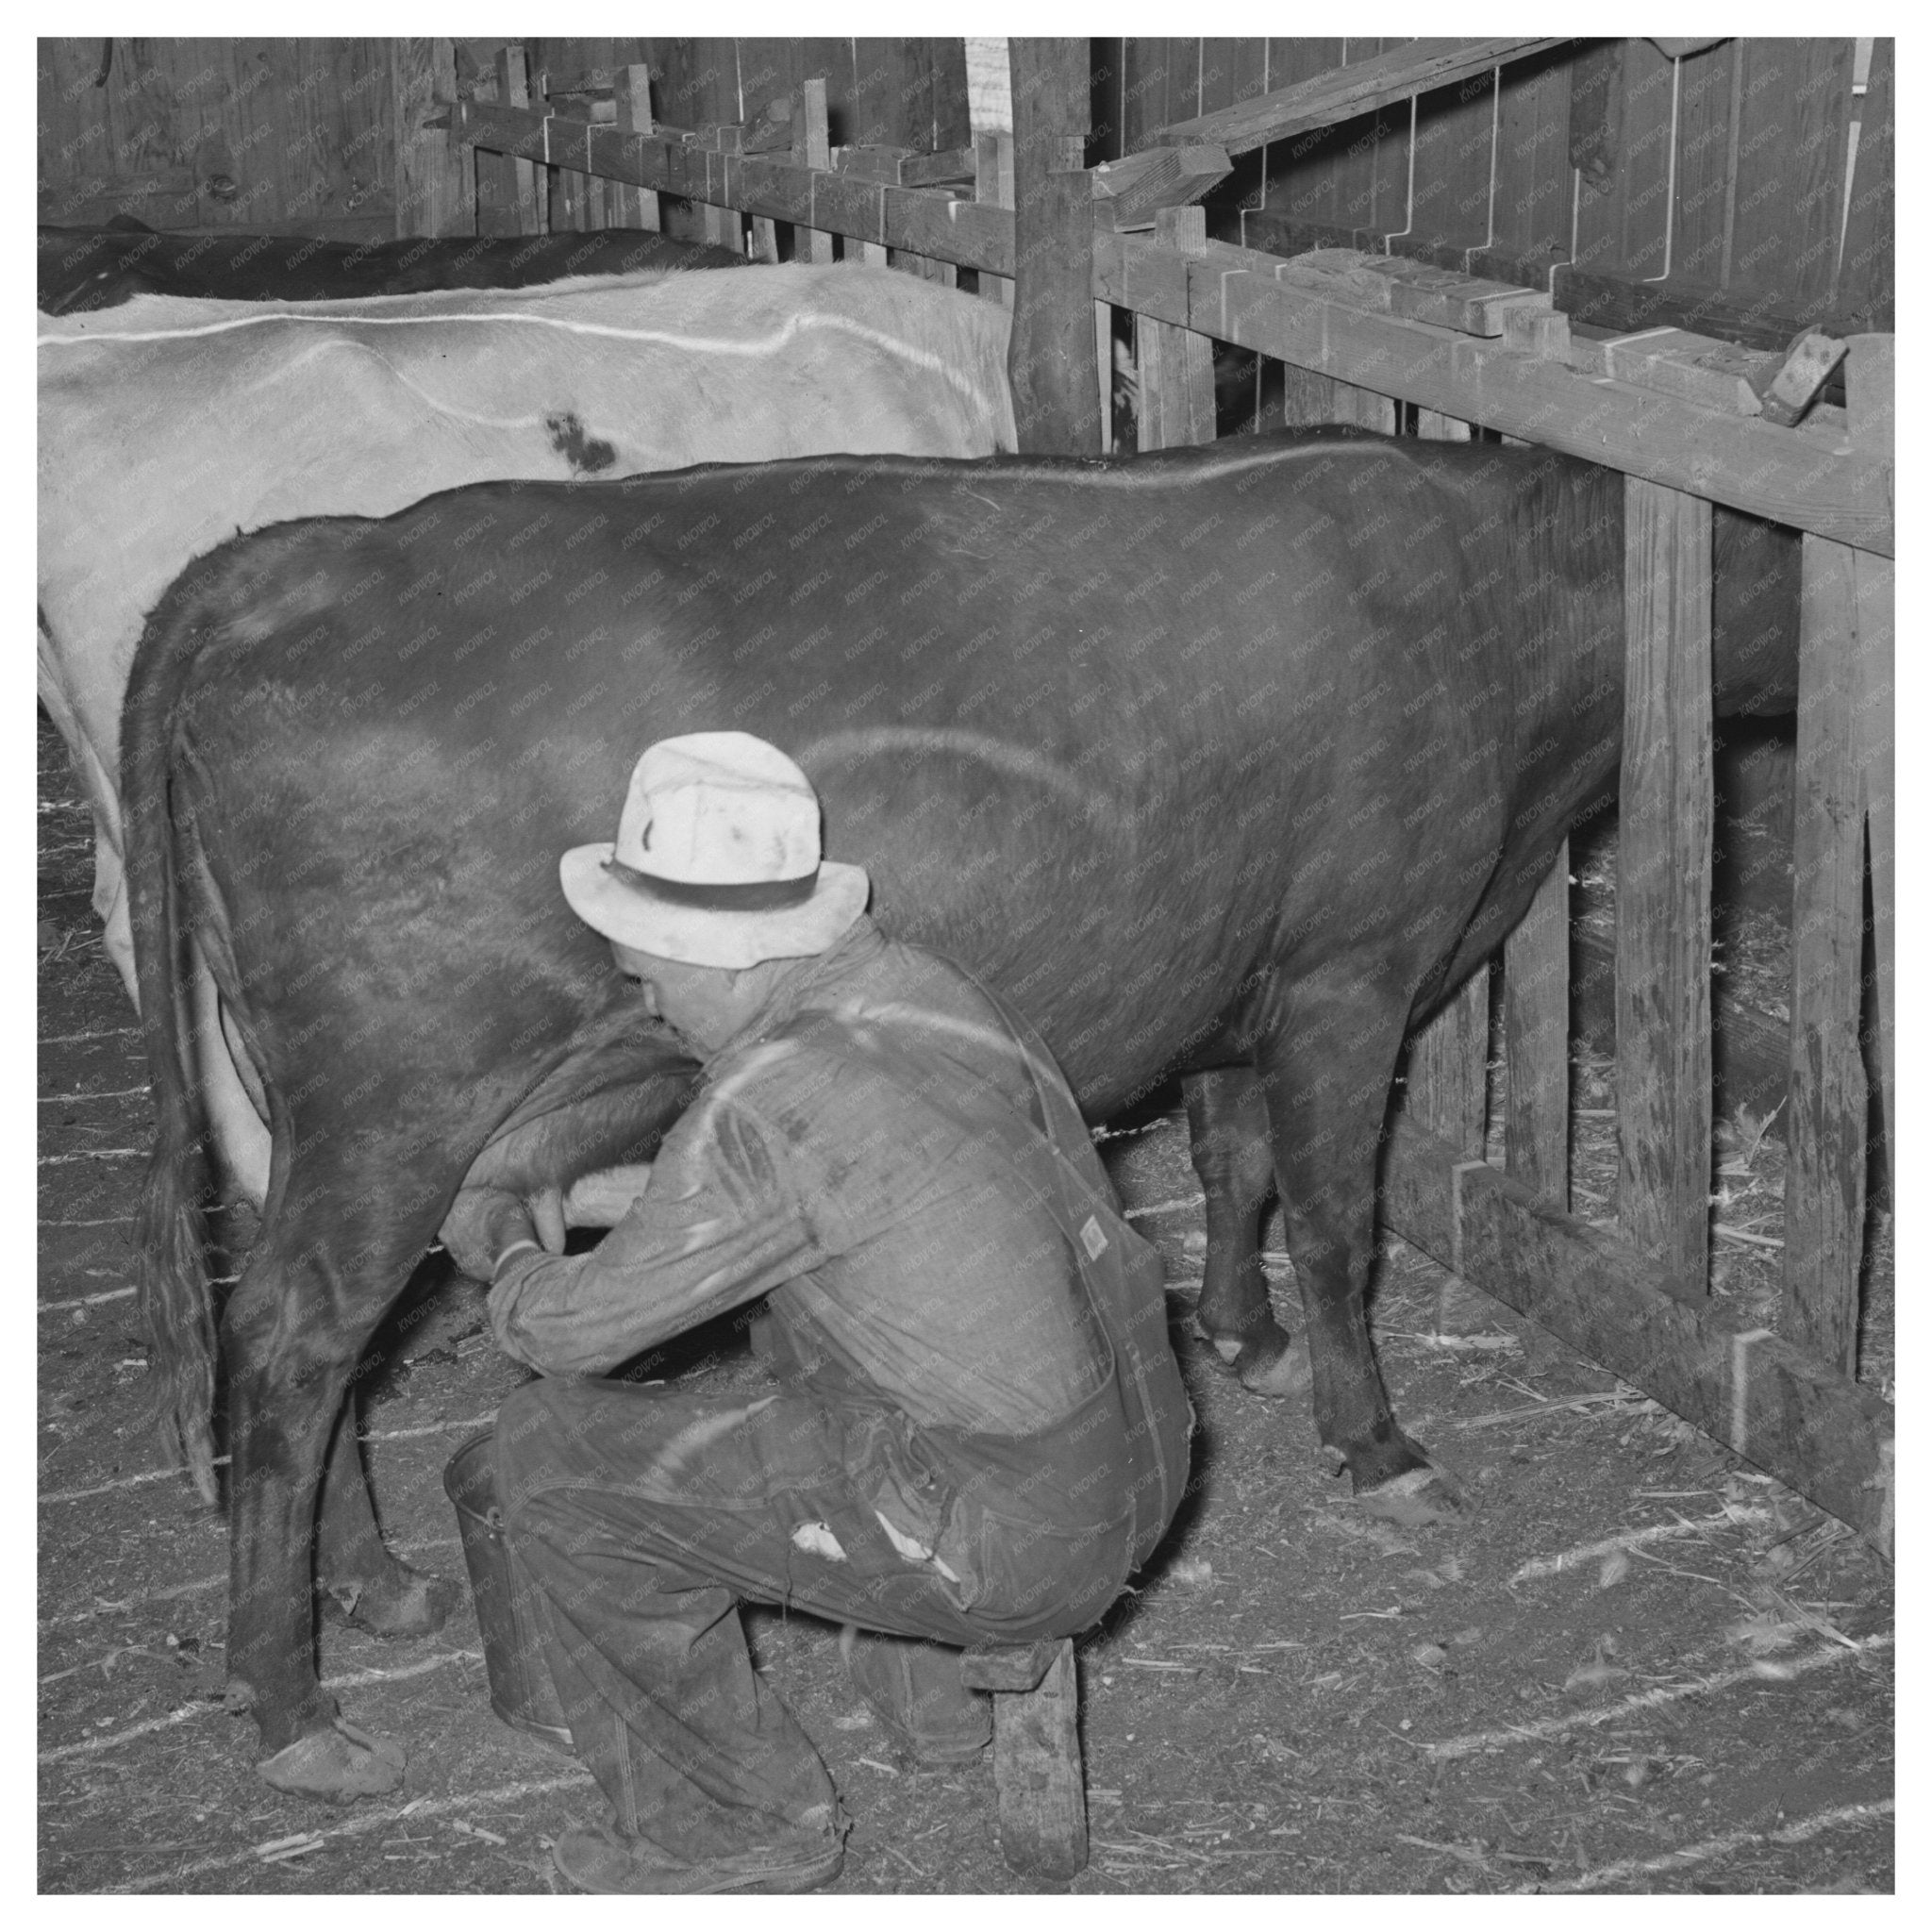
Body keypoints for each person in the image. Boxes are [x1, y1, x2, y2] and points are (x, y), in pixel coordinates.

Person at [440, 730, 1191, 1894]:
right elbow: (821, 1194)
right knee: (821, 1333)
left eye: (645, 971)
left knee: (547, 1452)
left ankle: (729, 1826)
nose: (639, 1000)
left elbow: (569, 1334)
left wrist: (499, 1249)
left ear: (726, 958)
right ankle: (933, 1708)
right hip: (1137, 1454)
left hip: (1012, 1543)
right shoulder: (919, 991)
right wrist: (579, 1195)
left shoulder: (762, 1096)